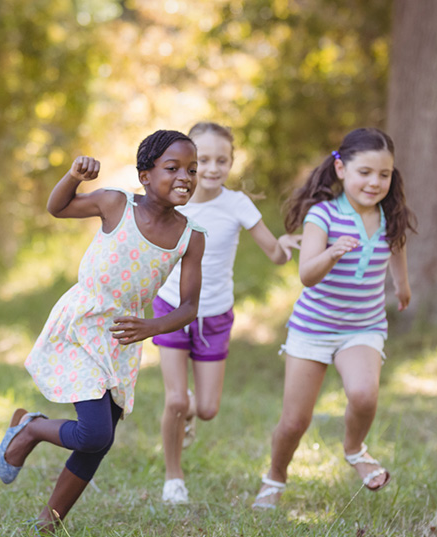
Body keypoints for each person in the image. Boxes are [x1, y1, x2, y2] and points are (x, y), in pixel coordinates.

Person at [0, 130, 206, 532]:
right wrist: (74, 176)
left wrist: (152, 327)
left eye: (192, 170)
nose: (185, 177)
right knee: (93, 432)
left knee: (101, 439)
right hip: (82, 323)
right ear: (145, 175)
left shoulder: (191, 236)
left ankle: (49, 522)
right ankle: (33, 428)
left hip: (123, 336)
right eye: (173, 168)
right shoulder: (116, 203)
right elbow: (58, 207)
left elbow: (190, 307)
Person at [252, 127, 415, 510]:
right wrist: (331, 254)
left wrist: (403, 287)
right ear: (341, 169)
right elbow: (306, 274)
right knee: (294, 422)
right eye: (365, 172)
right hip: (313, 329)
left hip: (364, 326)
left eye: (384, 174)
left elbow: (398, 250)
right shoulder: (322, 215)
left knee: (363, 395)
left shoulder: (390, 216)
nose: (375, 182)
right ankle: (274, 478)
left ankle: (355, 450)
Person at [152, 122, 301, 504]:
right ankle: (174, 479)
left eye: (223, 160)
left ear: (232, 162)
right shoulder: (171, 200)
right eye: (203, 160)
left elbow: (274, 253)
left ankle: (187, 409)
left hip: (214, 314)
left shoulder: (236, 204)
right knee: (176, 401)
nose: (213, 168)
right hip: (171, 307)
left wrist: (286, 245)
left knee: (206, 409)